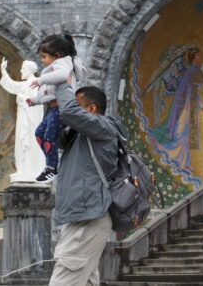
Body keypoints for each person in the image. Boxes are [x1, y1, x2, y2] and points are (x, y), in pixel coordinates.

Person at [48, 83, 127, 286]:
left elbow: (69, 112)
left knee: (64, 280)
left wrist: (61, 83)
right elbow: (53, 132)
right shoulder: (81, 137)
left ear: (91, 109)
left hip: (88, 218)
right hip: (83, 217)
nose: (71, 108)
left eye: (77, 104)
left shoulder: (103, 127)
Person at [27, 34, 85, 183]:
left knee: (48, 136)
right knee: (39, 133)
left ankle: (52, 167)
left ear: (57, 55)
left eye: (44, 56)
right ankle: (50, 164)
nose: (42, 60)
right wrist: (34, 100)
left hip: (60, 109)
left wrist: (40, 80)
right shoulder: (51, 70)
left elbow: (61, 76)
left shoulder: (63, 64)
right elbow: (47, 93)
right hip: (52, 109)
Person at [0, 59, 45, 182]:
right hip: (23, 118)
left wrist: (23, 98)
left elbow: (36, 102)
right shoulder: (24, 84)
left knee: (29, 141)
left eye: (23, 69)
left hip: (30, 121)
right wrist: (3, 70)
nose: (20, 71)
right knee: (21, 141)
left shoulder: (35, 84)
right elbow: (12, 85)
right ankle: (23, 169)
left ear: (30, 70)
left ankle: (31, 169)